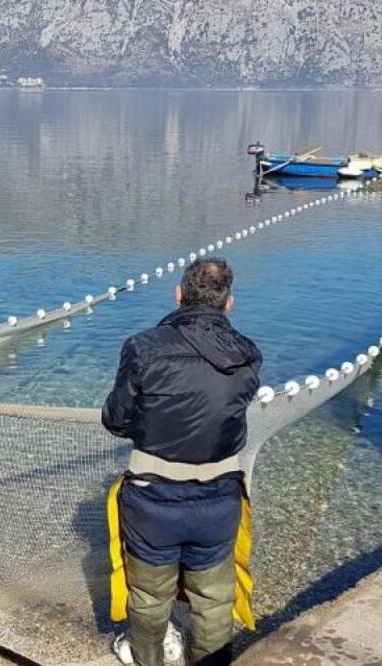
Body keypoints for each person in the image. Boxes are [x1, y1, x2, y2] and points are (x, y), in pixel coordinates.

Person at [102, 258, 262, 666]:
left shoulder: (143, 347)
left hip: (153, 497)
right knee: (212, 599)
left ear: (178, 294)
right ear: (229, 304)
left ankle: (148, 658)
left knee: (150, 596)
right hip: (220, 497)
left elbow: (115, 420)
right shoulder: (248, 355)